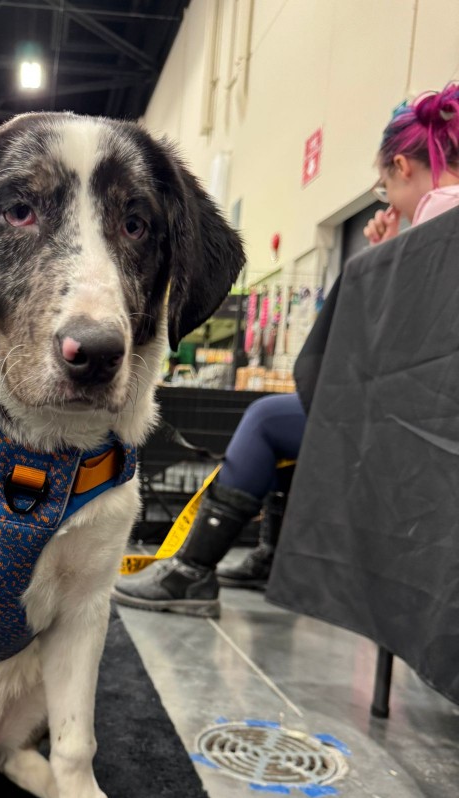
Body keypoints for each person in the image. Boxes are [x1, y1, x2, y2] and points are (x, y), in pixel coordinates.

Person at [114, 82, 459, 618]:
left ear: (402, 166)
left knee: (267, 419)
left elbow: (391, 336)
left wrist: (384, 257)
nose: (390, 202)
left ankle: (191, 572)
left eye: (386, 188)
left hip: (416, 425)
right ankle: (270, 556)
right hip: (436, 421)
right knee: (293, 422)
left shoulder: (440, 213)